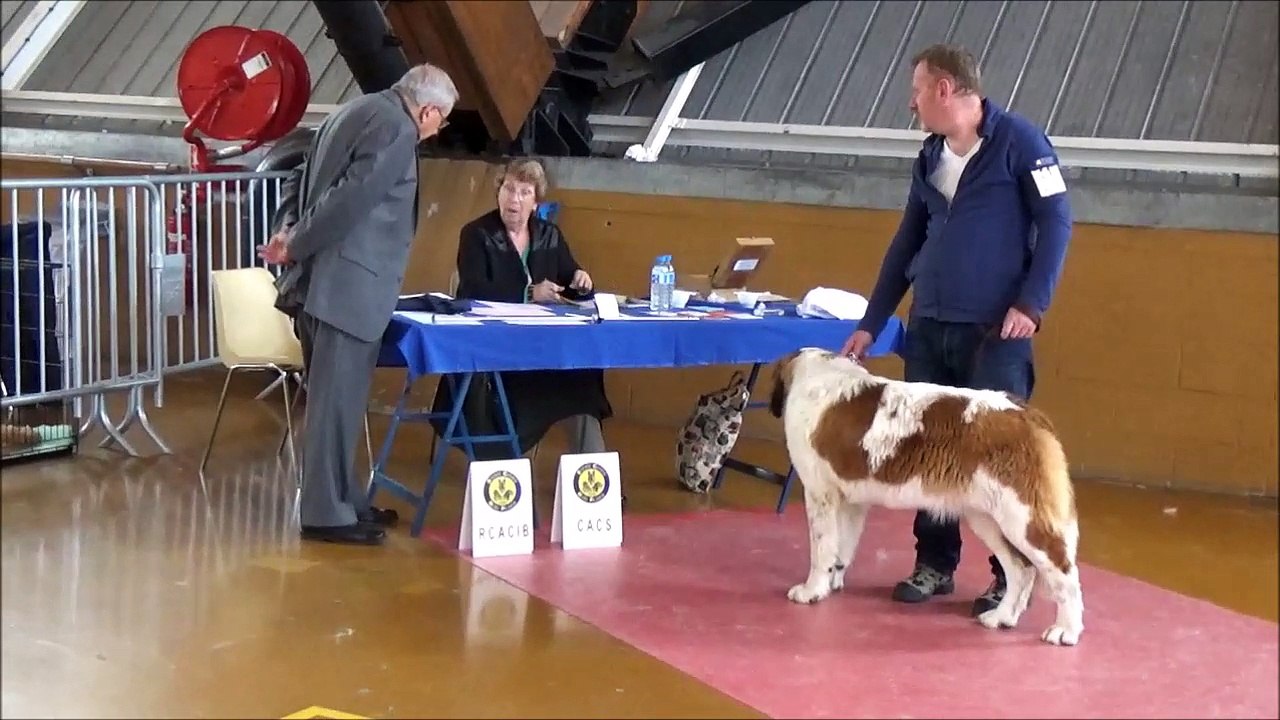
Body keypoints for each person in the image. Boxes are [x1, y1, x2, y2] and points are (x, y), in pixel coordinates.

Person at [840, 44, 1072, 616]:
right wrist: (872, 323)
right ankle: (934, 563)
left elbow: (1057, 222)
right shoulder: (929, 158)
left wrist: (1032, 303)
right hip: (930, 325)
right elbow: (905, 243)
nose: (912, 101)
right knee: (928, 454)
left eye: (918, 90)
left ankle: (1007, 575)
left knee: (996, 460)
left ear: (945, 89)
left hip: (995, 333)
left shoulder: (1022, 143)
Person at [259, 63, 459, 546]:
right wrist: (298, 242)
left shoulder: (351, 110)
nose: (436, 131)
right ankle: (326, 514)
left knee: (341, 401)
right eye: (441, 122)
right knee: (333, 403)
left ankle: (346, 500)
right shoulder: (396, 127)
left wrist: (287, 230)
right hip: (346, 286)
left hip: (321, 285)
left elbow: (299, 176)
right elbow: (353, 197)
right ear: (428, 110)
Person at [429, 159, 613, 469]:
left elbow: (570, 278)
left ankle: (592, 481)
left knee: (582, 380)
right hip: (495, 351)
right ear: (498, 192)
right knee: (528, 390)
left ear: (535, 201)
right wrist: (528, 294)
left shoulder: (549, 235)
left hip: (541, 348)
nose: (514, 199)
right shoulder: (476, 234)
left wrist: (582, 280)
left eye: (524, 192)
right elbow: (473, 288)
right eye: (508, 189)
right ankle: (507, 476)